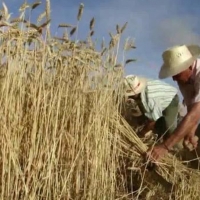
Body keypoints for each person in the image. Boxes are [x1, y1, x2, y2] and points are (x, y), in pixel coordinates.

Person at [147, 44, 200, 161]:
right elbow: (192, 110)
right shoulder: (184, 82)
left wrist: (165, 147)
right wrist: (191, 133)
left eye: (177, 74)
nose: (174, 79)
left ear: (189, 66)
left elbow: (196, 112)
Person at [123, 74, 180, 142]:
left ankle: (176, 146)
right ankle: (156, 133)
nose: (129, 97)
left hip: (171, 99)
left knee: (169, 128)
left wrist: (142, 133)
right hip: (156, 99)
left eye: (131, 95)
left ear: (136, 93)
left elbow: (153, 119)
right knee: (146, 115)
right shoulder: (141, 93)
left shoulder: (150, 98)